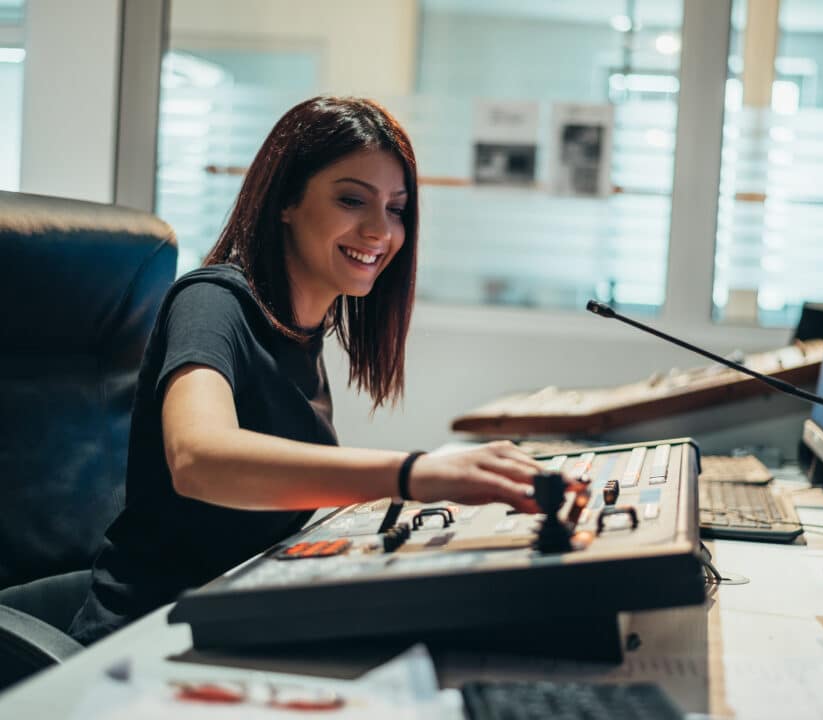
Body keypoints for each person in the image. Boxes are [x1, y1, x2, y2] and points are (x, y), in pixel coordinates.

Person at [68, 96, 541, 645]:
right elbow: (198, 459)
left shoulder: (305, 327)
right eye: (351, 200)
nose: (379, 231)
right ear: (286, 200)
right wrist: (413, 473)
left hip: (235, 614)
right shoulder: (212, 302)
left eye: (396, 208)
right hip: (147, 639)